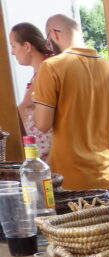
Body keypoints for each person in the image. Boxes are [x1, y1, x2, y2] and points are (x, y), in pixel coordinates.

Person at [32, 14, 109, 190]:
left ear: (54, 33)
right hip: (105, 173)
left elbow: (43, 124)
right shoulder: (108, 67)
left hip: (69, 177)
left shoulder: (52, 66)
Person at [9, 22, 55, 161]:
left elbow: (25, 107)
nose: (12, 52)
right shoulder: (42, 69)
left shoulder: (45, 69)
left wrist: (10, 130)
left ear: (27, 46)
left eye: (14, 46)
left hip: (46, 155)